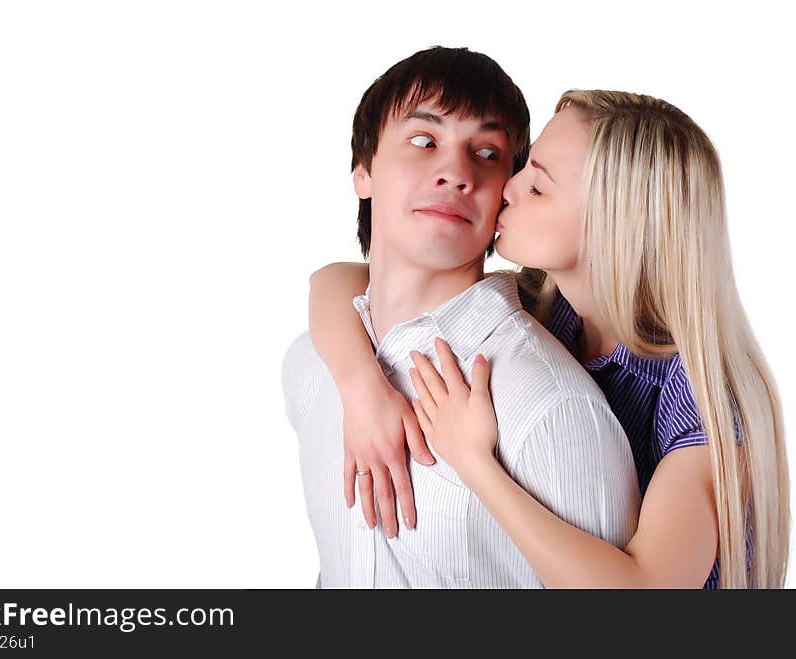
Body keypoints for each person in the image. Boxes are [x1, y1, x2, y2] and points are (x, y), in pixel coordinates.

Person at [309, 89, 790, 588]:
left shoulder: (703, 393)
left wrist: (474, 463)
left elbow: (644, 592)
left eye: (537, 187)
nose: (506, 188)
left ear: (611, 225)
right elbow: (338, 281)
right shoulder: (546, 305)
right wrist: (362, 387)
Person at [282, 46, 640, 588]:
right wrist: (360, 384)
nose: (455, 171)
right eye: (424, 141)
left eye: (489, 154)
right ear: (363, 171)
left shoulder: (547, 402)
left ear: (507, 196)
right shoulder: (311, 364)